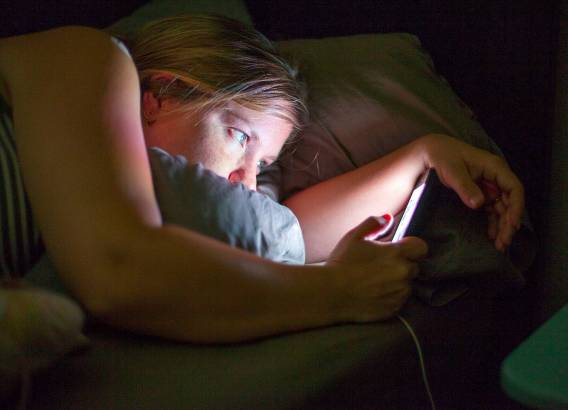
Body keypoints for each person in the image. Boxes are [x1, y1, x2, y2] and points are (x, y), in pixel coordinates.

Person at [0, 15, 524, 343]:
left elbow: (283, 233)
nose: (244, 183)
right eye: (241, 136)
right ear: (158, 96)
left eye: (265, 170)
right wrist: (338, 291)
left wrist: (422, 155)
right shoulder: (86, 58)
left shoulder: (120, 195)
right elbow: (119, 269)